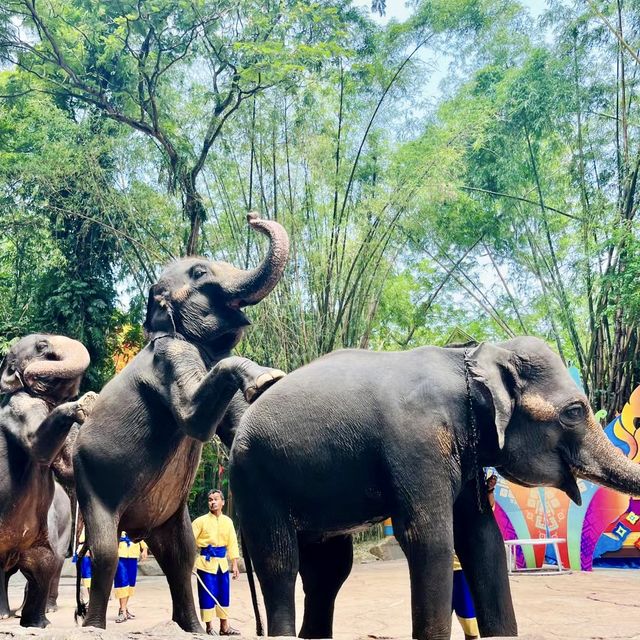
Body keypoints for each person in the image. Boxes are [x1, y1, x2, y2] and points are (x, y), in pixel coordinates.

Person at [452, 473, 498, 640]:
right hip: (437, 570)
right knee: (436, 622)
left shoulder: (471, 502)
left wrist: (489, 491)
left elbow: (488, 509)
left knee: (470, 622)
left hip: (461, 569)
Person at [192, 489, 241, 636]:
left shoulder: (228, 521)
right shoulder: (200, 521)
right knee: (207, 595)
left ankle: (224, 627)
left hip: (222, 565)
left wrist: (235, 564)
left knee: (223, 594)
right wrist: (189, 561)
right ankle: (209, 627)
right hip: (205, 564)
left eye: (216, 499)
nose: (212, 502)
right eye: (210, 500)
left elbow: (232, 543)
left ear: (223, 502)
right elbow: (189, 542)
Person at [114, 532, 147, 623]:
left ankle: (124, 608)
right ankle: (122, 611)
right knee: (122, 581)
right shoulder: (118, 522)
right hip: (120, 554)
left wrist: (144, 549)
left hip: (133, 554)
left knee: (131, 582)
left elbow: (141, 535)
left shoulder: (135, 522)